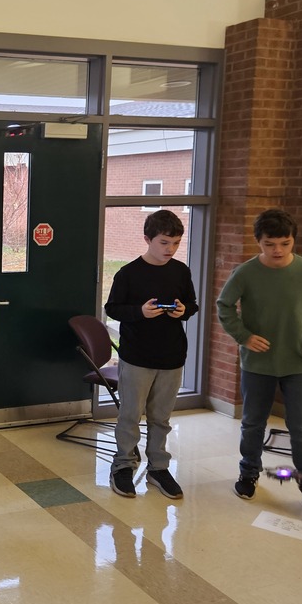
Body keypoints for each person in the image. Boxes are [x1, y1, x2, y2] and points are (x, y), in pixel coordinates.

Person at [216, 209, 302, 513]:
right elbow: (224, 306)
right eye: (270, 244)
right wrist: (244, 335)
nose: (277, 250)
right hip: (259, 363)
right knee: (253, 422)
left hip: (300, 363)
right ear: (259, 243)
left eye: (285, 243)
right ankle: (249, 471)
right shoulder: (245, 272)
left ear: (293, 241)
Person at [104, 209, 198, 500]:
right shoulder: (128, 273)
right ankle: (123, 465)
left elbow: (191, 304)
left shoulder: (181, 271)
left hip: (171, 355)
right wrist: (140, 312)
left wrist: (184, 310)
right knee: (130, 415)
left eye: (175, 243)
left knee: (161, 417)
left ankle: (158, 467)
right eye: (163, 243)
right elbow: (113, 309)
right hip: (137, 356)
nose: (170, 249)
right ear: (147, 239)